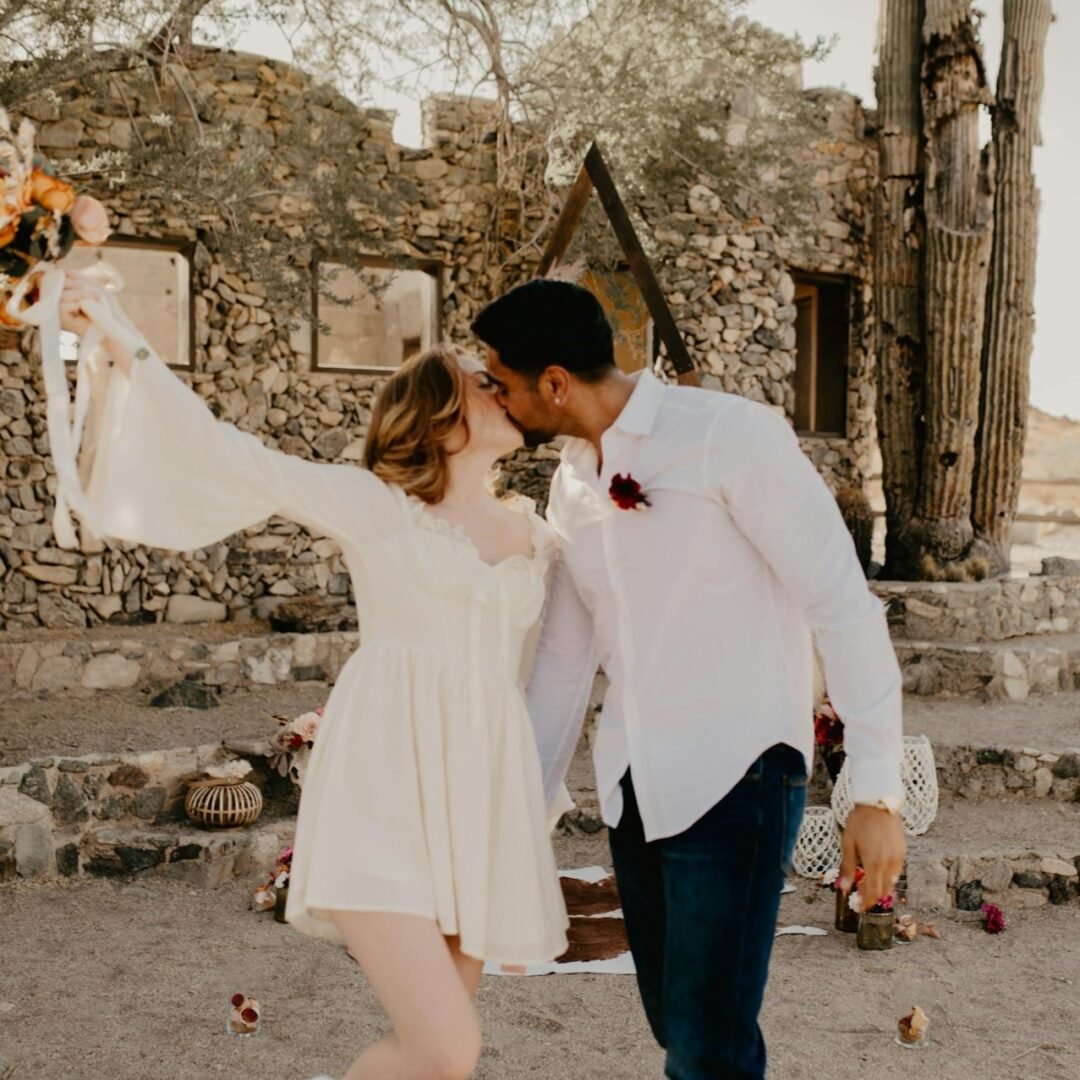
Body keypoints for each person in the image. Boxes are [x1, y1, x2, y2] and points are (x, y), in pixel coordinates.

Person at [56, 271, 569, 1080]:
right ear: (438, 416)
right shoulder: (377, 507)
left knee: (438, 1056)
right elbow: (232, 454)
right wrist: (120, 336)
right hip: (386, 789)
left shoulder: (539, 539)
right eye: (481, 381)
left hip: (479, 804)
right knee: (449, 1047)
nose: (501, 387)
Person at [473, 278, 907, 1080]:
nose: (492, 396)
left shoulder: (728, 437)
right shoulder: (570, 481)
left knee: (709, 1047)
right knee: (677, 1025)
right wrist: (519, 811)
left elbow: (842, 604)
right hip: (635, 783)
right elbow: (566, 661)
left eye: (501, 380)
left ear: (556, 382)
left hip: (738, 775)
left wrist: (876, 793)